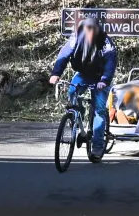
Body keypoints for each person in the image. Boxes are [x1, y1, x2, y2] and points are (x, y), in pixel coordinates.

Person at [49, 17, 117, 159]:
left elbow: (111, 61)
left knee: (99, 109)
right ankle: (78, 115)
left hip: (100, 77)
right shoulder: (76, 38)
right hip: (84, 73)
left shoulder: (105, 42)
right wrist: (56, 74)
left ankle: (98, 145)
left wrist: (104, 80)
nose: (88, 34)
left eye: (91, 31)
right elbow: (64, 55)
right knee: (72, 91)